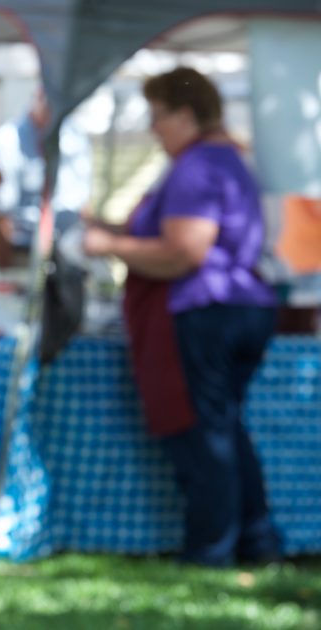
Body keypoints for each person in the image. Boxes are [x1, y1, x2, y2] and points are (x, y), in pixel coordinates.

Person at [82, 67, 281, 566]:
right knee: (224, 428)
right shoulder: (227, 160)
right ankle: (256, 542)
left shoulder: (197, 166)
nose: (153, 129)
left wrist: (106, 244)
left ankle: (211, 550)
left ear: (185, 115)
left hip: (205, 310)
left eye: (158, 117)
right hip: (238, 306)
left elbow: (183, 252)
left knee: (204, 434)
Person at [0, 87, 93, 269]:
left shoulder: (76, 136)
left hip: (70, 252)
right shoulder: (6, 143)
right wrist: (7, 270)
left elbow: (84, 203)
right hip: (23, 255)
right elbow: (0, 217)